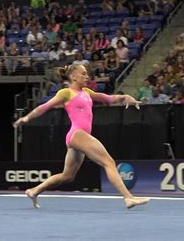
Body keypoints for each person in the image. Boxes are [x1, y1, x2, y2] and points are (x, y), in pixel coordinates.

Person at [13, 64, 149, 209]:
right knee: (108, 162)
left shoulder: (87, 92)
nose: (87, 76)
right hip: (77, 134)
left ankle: (34, 191)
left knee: (67, 176)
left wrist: (124, 96)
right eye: (83, 74)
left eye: (87, 74)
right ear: (73, 77)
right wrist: (26, 118)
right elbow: (44, 107)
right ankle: (128, 198)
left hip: (78, 137)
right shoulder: (66, 93)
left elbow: (106, 98)